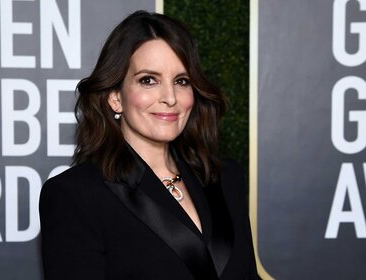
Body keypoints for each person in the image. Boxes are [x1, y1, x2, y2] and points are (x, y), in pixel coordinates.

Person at [39, 10, 259, 280]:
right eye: (148, 80)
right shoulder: (74, 195)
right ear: (115, 97)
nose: (170, 97)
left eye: (181, 81)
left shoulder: (225, 177)